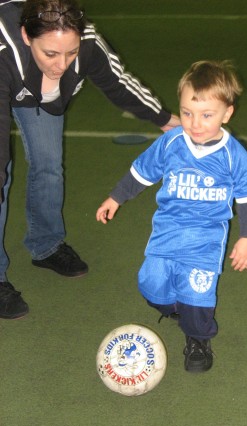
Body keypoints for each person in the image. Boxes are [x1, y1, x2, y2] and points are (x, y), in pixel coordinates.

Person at [0, 0, 180, 320]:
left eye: (70, 53)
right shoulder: (5, 52)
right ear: (27, 36)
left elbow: (119, 84)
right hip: (7, 75)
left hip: (40, 92)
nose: (61, 65)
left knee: (49, 165)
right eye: (51, 54)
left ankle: (46, 246)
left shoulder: (88, 43)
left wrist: (166, 119)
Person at [96, 60, 247, 373]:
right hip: (167, 234)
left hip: (205, 241)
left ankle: (198, 338)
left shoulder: (235, 157)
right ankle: (178, 309)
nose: (195, 123)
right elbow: (142, 171)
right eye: (187, 113)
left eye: (206, 115)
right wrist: (116, 197)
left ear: (227, 114)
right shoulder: (171, 142)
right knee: (151, 285)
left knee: (198, 299)